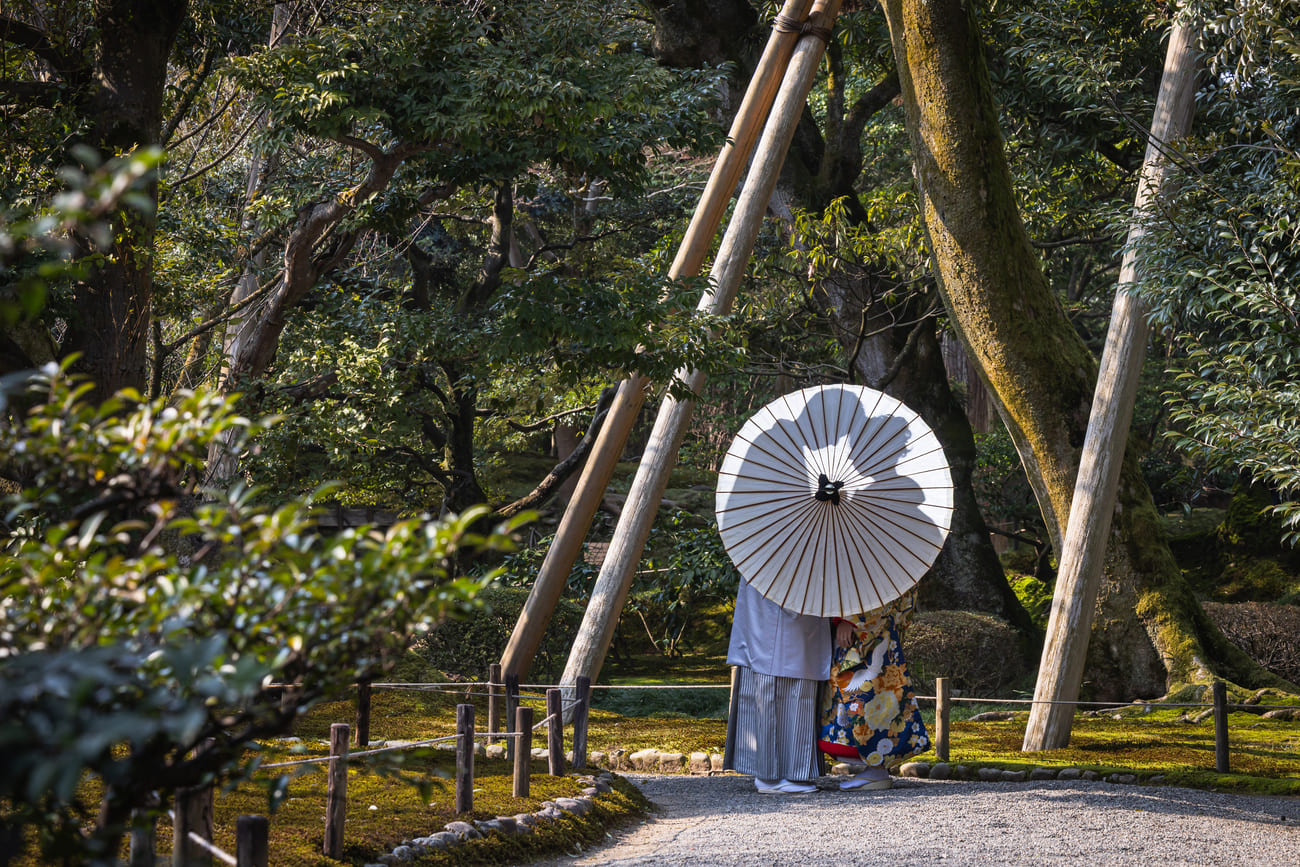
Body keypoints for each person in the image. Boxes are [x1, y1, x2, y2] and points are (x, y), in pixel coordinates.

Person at [724, 579, 831, 794]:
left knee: (795, 694)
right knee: (770, 692)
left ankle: (791, 773)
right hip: (769, 617)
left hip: (792, 618)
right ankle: (768, 776)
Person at [818, 587, 929, 791]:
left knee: (867, 700)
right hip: (876, 632)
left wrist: (851, 620)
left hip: (868, 634)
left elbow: (878, 591)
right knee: (869, 700)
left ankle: (876, 768)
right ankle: (875, 767)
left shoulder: (886, 562)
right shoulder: (892, 561)